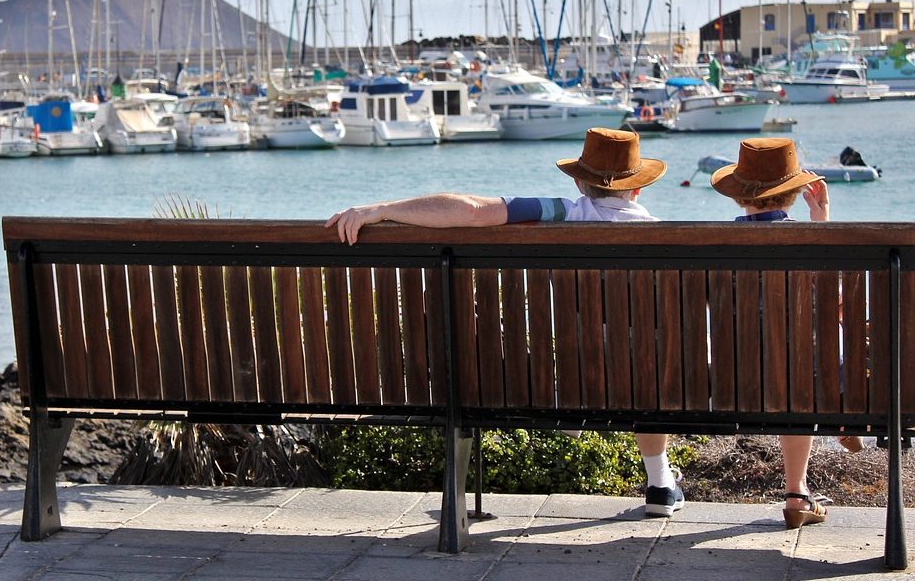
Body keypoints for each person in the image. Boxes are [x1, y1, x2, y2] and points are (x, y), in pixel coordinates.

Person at [326, 127, 686, 519]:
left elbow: (471, 211)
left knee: (592, 347)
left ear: (581, 183)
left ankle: (575, 402)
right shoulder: (664, 234)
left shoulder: (562, 213)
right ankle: (660, 483)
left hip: (568, 374)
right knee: (645, 355)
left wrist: (380, 210)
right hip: (647, 381)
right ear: (637, 190)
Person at [710, 137, 862, 530]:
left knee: (783, 358)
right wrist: (822, 222)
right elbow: (837, 302)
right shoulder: (809, 241)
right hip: (807, 378)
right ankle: (836, 417)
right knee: (815, 354)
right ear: (796, 193)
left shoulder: (716, 244)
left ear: (738, 195)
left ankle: (804, 481)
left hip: (736, 374)